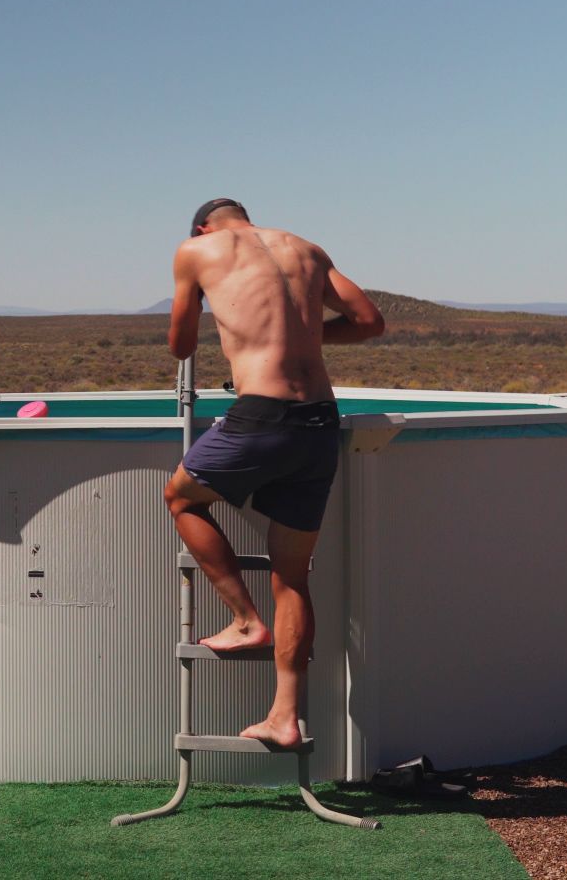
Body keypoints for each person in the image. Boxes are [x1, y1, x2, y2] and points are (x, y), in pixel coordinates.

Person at [164, 198, 385, 748]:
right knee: (293, 576)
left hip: (261, 414)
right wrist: (305, 335)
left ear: (202, 226)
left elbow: (181, 345)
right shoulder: (305, 249)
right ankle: (285, 717)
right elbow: (369, 322)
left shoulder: (196, 250)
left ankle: (243, 619)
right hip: (318, 421)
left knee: (182, 499)